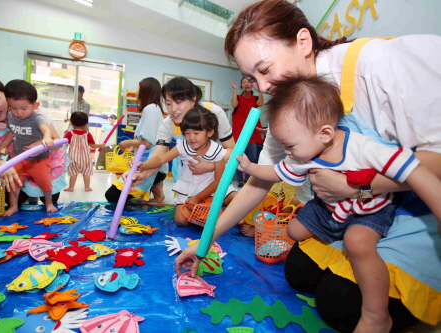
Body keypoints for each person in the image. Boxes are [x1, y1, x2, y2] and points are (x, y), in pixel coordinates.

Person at [175, 1, 441, 332]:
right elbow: (261, 182)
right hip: (344, 208)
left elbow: (431, 160)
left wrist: (358, 184)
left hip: (409, 205)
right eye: (251, 78)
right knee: (298, 272)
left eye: (266, 69)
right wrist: (204, 242)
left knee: (341, 304)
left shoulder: (374, 65)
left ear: (303, 42)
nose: (262, 87)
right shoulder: (287, 110)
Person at [238, 74, 441, 333]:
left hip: (368, 209)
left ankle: (376, 314)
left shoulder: (363, 147)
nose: (287, 152)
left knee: (358, 242)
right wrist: (251, 166)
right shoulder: (303, 151)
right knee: (293, 231)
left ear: (324, 133)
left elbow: (415, 170)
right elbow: (278, 171)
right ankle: (331, 240)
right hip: (328, 209)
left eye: (289, 145)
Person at [127, 76, 235, 196]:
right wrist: (142, 174)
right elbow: (159, 157)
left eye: (178, 102)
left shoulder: (214, 112)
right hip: (188, 181)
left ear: (193, 100)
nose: (173, 109)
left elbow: (231, 149)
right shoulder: (167, 124)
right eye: (168, 103)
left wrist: (211, 165)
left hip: (216, 180)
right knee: (182, 213)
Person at [0, 74, 67, 207]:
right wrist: (2, 164)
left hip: (44, 160)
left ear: (6, 96)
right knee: (12, 198)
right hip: (17, 162)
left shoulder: (33, 112)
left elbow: (56, 140)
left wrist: (43, 145)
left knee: (48, 197)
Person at [138, 106, 237, 226]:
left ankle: (212, 207)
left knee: (238, 200)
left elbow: (218, 181)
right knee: (181, 221)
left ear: (210, 132)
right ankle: (208, 210)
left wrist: (199, 197)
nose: (191, 137)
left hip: (212, 189)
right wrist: (144, 165)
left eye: (196, 133)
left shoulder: (217, 151)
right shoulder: (183, 146)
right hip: (190, 188)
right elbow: (161, 158)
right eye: (187, 133)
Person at [105, 77, 168, 203]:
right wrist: (132, 145)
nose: (136, 91)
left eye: (138, 87)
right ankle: (155, 189)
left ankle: (154, 187)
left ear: (145, 90)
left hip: (152, 166)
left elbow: (147, 143)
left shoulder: (150, 109)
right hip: (154, 165)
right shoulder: (154, 109)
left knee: (112, 196)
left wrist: (126, 143)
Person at [0, 80, 56, 216]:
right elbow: (12, 132)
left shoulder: (37, 117)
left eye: (23, 109)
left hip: (38, 160)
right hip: (18, 157)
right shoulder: (11, 116)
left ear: (35, 105)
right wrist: (4, 145)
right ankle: (13, 206)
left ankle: (49, 203)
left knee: (45, 183)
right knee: (13, 183)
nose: (18, 112)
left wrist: (46, 138)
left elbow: (45, 129)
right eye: (13, 108)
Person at [230, 77, 264, 187]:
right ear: (241, 86)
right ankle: (240, 180)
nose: (246, 84)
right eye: (243, 82)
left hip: (253, 133)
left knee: (253, 157)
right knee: (238, 156)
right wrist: (235, 89)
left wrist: (260, 89)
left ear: (252, 85)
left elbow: (261, 103)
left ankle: (249, 179)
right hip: (239, 134)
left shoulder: (256, 98)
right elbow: (234, 105)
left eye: (249, 82)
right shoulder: (238, 98)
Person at [64, 112, 106, 192]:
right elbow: (92, 145)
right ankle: (87, 187)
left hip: (73, 158)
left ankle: (71, 187)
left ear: (71, 123)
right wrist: (101, 145)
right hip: (85, 158)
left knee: (73, 173)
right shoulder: (87, 134)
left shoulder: (70, 134)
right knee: (86, 173)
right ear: (86, 124)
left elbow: (65, 144)